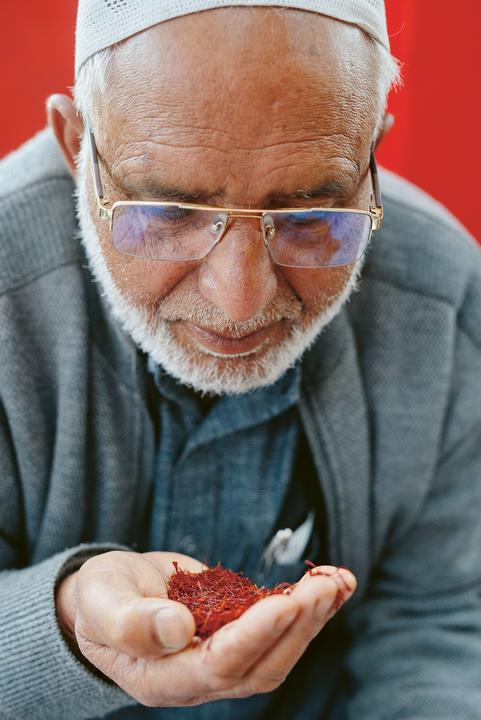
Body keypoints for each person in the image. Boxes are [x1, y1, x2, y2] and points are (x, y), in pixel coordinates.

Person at [1, 1, 480, 718]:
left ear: (368, 158)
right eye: (168, 214)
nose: (238, 301)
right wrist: (65, 619)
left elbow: (436, 626)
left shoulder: (439, 299)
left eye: (309, 217)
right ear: (78, 149)